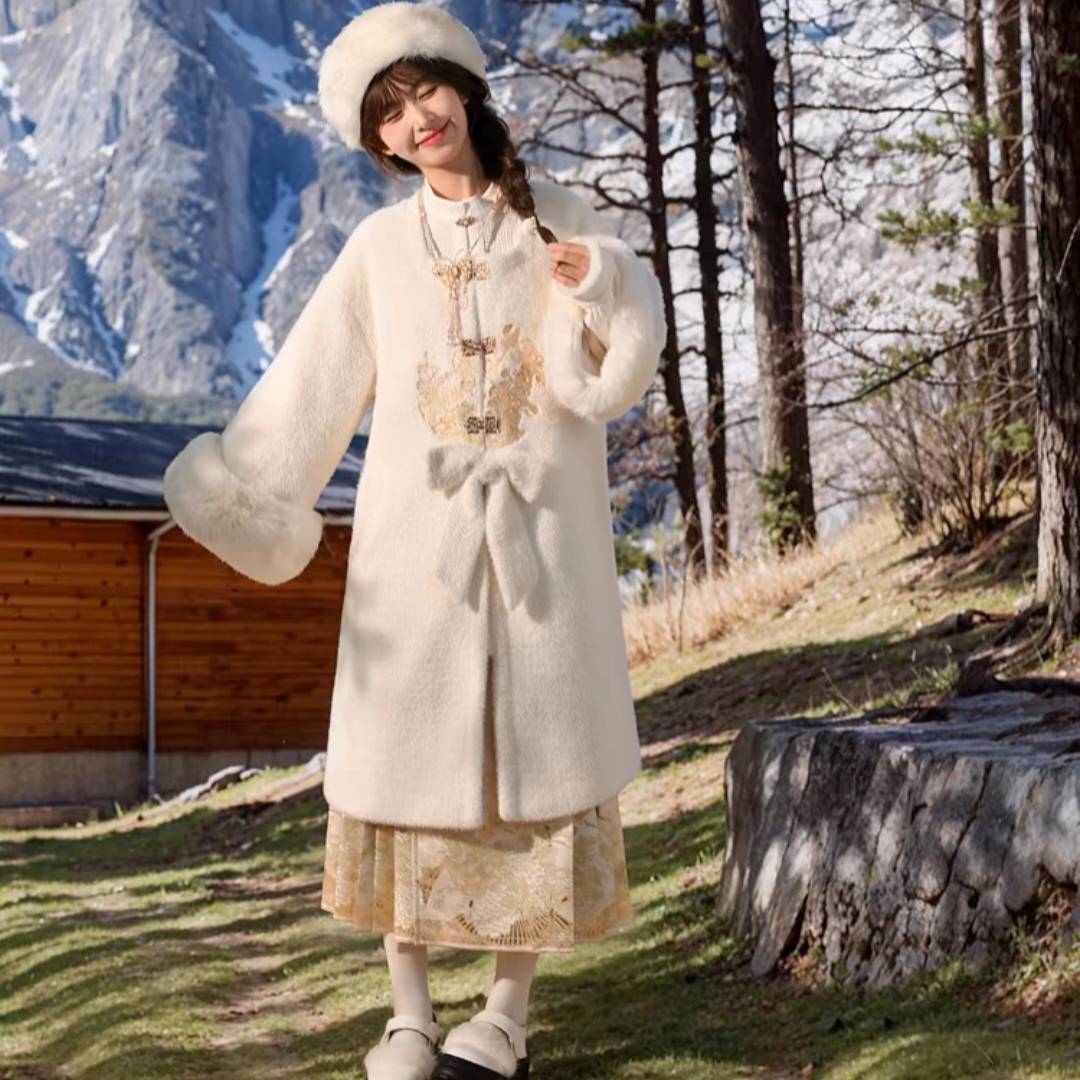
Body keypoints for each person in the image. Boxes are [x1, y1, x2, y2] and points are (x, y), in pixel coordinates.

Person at [161, 3, 667, 1078]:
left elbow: (603, 376)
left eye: (423, 90)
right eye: (387, 114)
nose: (415, 119)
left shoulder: (559, 217)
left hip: (541, 550)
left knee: (535, 779)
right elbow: (313, 381)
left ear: (462, 86)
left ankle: (506, 1017)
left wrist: (605, 284)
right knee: (403, 781)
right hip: (413, 554)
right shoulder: (378, 249)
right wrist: (248, 491)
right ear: (379, 144)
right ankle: (407, 1018)